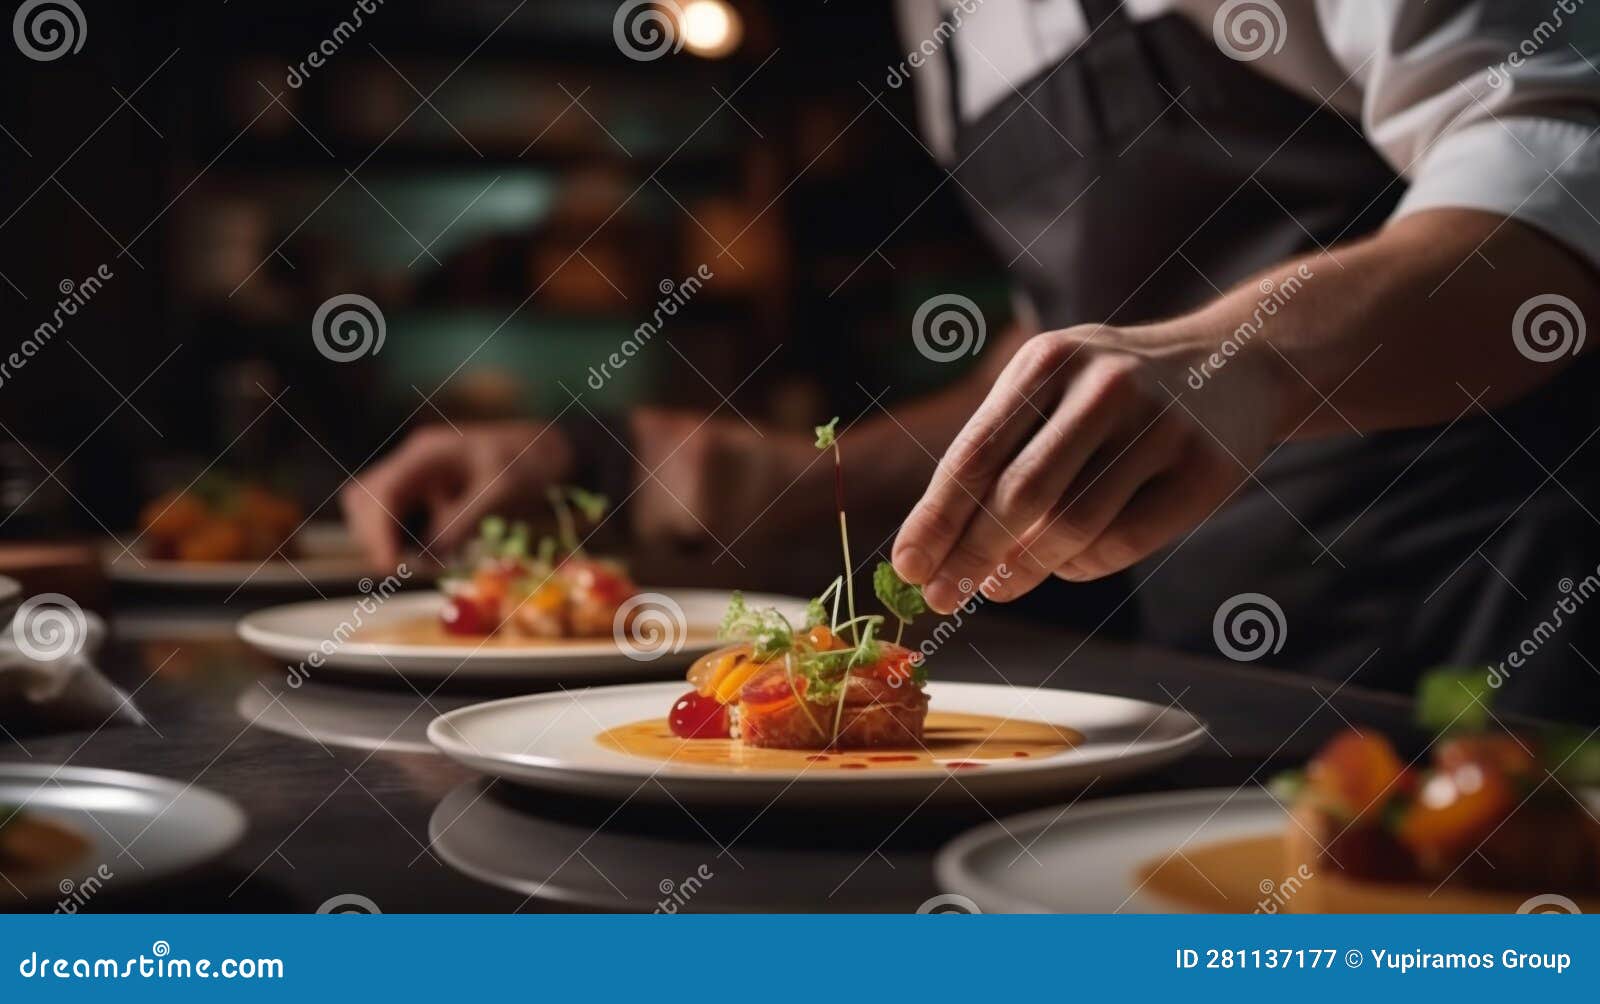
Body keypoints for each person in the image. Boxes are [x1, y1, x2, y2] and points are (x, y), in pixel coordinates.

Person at [344, 0, 1600, 723]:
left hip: (1498, 626)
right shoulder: (938, 29)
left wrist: (1239, 358)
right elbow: (1068, 329)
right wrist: (669, 469)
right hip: (1205, 683)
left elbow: (1552, 150)